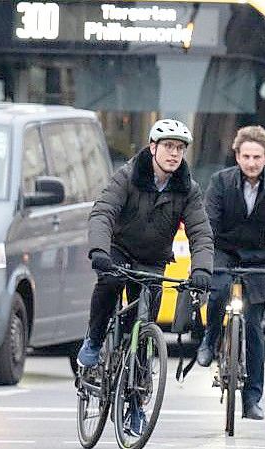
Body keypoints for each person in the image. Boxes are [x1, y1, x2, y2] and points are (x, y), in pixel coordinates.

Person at [77, 118, 214, 370]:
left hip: (153, 259)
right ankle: (94, 340)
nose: (174, 154)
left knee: (143, 323)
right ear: (153, 147)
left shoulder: (188, 189)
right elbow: (103, 212)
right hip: (119, 250)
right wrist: (99, 250)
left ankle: (137, 394)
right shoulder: (127, 177)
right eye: (168, 146)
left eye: (180, 149)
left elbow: (201, 232)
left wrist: (202, 269)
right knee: (109, 284)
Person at [197, 125, 265, 420]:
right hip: (223, 252)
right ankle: (210, 338)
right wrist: (204, 258)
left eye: (257, 157)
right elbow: (208, 224)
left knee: (255, 327)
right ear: (237, 156)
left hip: (256, 258)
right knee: (218, 292)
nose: (251, 162)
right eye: (246, 156)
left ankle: (252, 400)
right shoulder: (220, 182)